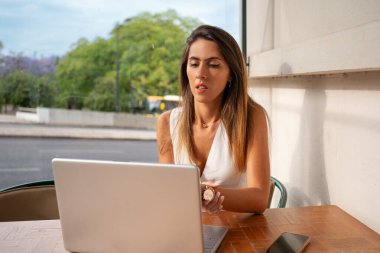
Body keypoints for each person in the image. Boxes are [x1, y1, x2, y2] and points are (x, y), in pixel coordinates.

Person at [157, 25, 270, 213]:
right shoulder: (167, 122)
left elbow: (259, 199)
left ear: (231, 75)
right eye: (194, 64)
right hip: (184, 229)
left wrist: (207, 193)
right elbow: (169, 194)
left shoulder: (251, 117)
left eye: (213, 64)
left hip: (235, 231)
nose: (201, 73)